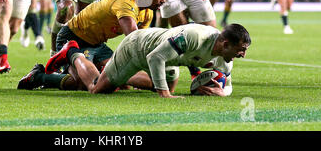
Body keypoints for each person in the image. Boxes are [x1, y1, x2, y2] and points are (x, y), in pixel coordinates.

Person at [17, 0, 169, 91]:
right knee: (84, 85)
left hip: (97, 44)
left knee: (150, 83)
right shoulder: (126, 2)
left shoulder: (147, 12)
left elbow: (140, 48)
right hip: (73, 38)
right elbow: (135, 41)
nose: (163, 1)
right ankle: (39, 76)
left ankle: (102, 72)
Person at [46, 23, 251, 98]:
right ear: (225, 43)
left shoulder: (226, 59)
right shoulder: (195, 36)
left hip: (168, 61)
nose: (243, 55)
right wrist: (165, 94)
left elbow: (229, 86)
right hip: (138, 48)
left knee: (165, 79)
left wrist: (222, 92)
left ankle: (116, 74)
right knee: (95, 89)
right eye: (240, 50)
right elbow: (155, 57)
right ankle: (72, 52)